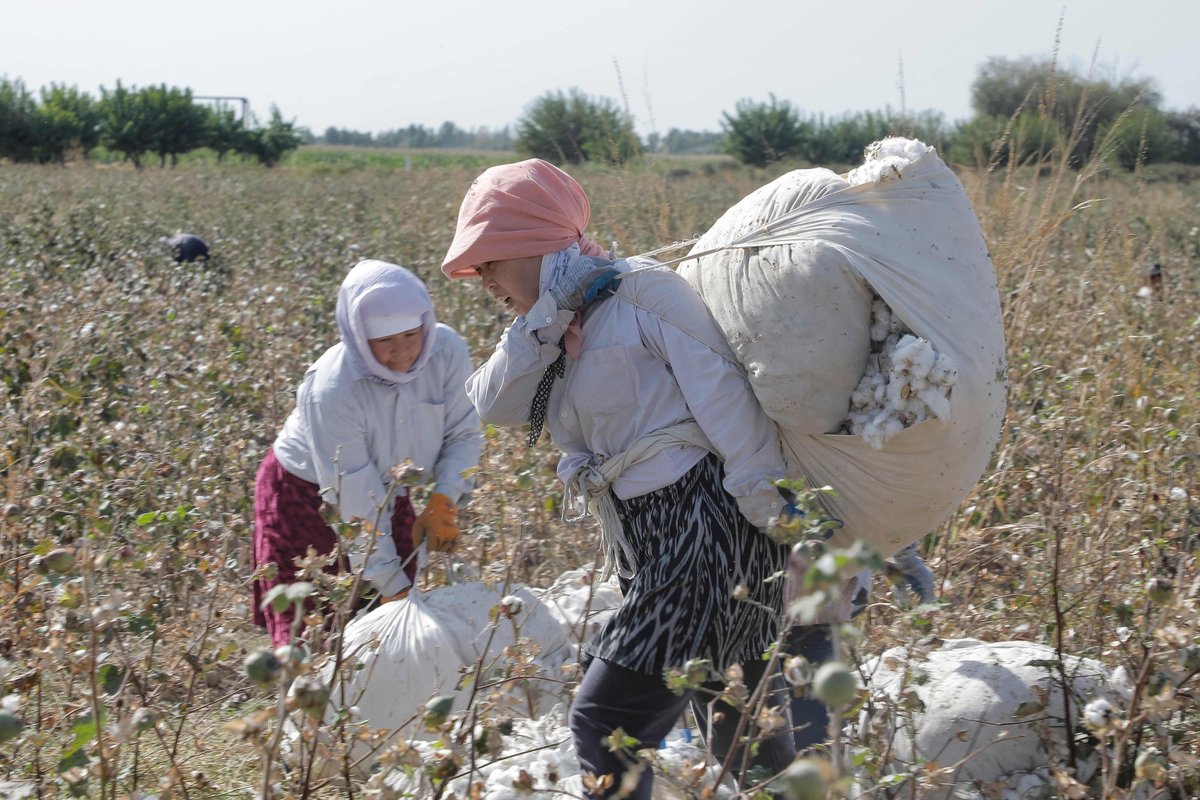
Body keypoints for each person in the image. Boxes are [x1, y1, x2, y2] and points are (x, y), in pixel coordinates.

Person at [441, 159, 799, 798]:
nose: (485, 279)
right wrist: (541, 323)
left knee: (607, 720)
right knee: (738, 719)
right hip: (654, 536)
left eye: (491, 260)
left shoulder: (641, 293)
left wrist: (771, 508)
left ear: (531, 243)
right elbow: (490, 402)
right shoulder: (550, 327)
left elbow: (725, 397)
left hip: (706, 526)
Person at [252, 259, 483, 647]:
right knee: (310, 627)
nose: (403, 352)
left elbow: (464, 433)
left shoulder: (446, 352)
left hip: (391, 484)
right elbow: (354, 497)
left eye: (411, 335)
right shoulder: (331, 388)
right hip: (305, 491)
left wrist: (445, 499)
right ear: (358, 337)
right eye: (385, 341)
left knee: (398, 613)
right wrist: (392, 589)